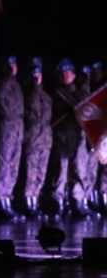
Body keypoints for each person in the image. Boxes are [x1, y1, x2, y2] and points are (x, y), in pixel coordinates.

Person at [50, 58, 92, 218]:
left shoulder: (81, 94)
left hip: (79, 138)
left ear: (74, 75)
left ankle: (78, 203)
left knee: (80, 171)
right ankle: (59, 204)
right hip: (61, 138)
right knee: (60, 172)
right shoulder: (54, 95)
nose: (66, 76)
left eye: (68, 73)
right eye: (62, 73)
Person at [0, 55, 24, 220]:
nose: (13, 68)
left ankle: (8, 199)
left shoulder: (17, 86)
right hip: (6, 130)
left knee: (14, 166)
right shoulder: (1, 83)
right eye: (9, 65)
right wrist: (8, 76)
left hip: (18, 129)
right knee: (4, 165)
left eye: (14, 65)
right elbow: (0, 93)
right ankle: (1, 200)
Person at [23, 64, 52, 218]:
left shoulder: (47, 97)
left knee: (41, 173)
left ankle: (36, 201)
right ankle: (29, 203)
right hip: (33, 139)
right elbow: (31, 107)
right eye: (34, 75)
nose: (37, 77)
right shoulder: (27, 95)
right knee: (31, 172)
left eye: (39, 74)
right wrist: (34, 88)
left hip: (46, 139)